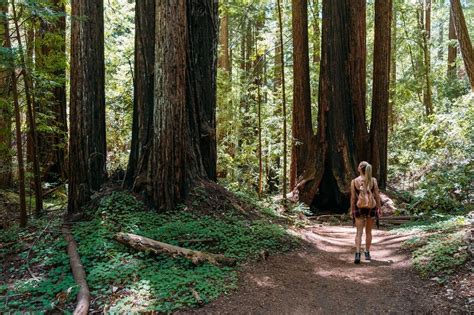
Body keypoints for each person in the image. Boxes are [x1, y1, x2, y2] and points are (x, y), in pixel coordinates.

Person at [350, 161, 381, 264]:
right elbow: (377, 195)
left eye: (358, 165)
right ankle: (367, 252)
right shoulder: (373, 180)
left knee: (359, 232)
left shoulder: (354, 181)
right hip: (371, 207)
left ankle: (358, 254)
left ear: (360, 168)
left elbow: (353, 198)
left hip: (359, 207)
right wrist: (379, 208)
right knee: (368, 232)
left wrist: (351, 209)